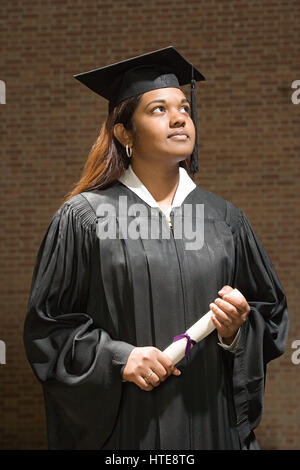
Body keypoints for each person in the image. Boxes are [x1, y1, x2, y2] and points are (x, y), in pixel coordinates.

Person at [23, 46, 289, 450]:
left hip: (211, 423)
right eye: (158, 109)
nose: (180, 117)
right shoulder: (85, 219)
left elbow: (270, 316)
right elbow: (49, 328)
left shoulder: (224, 220)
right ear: (124, 133)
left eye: (184, 107)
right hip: (131, 430)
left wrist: (236, 331)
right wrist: (117, 358)